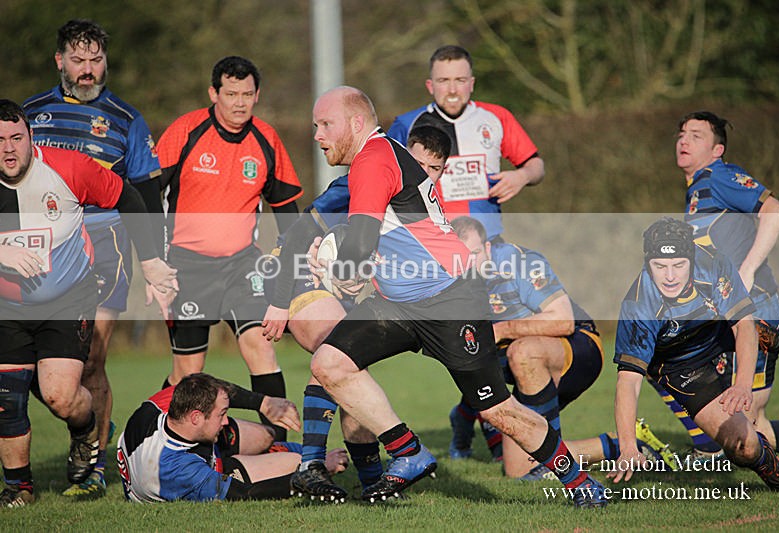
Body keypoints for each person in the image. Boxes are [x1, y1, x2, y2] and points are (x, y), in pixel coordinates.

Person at [302, 86, 606, 508]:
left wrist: (334, 268)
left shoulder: (373, 160)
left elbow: (362, 241)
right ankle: (408, 452)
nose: (317, 135)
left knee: (498, 410)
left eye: (324, 124)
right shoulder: (381, 155)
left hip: (450, 299)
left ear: (355, 123)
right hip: (401, 302)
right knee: (329, 364)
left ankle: (580, 483)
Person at [261, 125, 453, 502]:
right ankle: (311, 465)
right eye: (418, 164)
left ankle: (370, 484)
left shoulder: (422, 203)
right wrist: (280, 301)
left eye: (435, 168)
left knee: (352, 380)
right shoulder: (364, 177)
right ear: (400, 155)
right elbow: (298, 235)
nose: (425, 174)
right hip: (300, 272)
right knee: (333, 354)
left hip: (344, 288)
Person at [0, 99, 177, 508]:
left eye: (16, 138)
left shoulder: (70, 167)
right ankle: (18, 488)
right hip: (8, 309)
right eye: (0, 141)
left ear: (31, 137)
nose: (9, 149)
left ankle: (84, 431)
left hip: (66, 299)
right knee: (7, 397)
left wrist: (151, 262)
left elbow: (128, 197)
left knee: (62, 396)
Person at [22, 19, 167, 497]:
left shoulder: (126, 119)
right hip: (37, 252)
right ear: (59, 61)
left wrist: (154, 260)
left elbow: (145, 194)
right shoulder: (29, 117)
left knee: (90, 361)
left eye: (97, 60)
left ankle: (94, 467)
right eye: (79, 60)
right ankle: (79, 431)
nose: (88, 70)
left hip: (104, 247)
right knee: (29, 371)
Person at [448, 217, 677, 479]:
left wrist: (500, 331)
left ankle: (557, 467)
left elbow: (563, 320)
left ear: (488, 248)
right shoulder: (454, 283)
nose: (470, 263)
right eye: (461, 258)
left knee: (522, 351)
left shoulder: (518, 262)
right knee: (519, 469)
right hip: (528, 364)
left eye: (475, 254)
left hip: (579, 348)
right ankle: (624, 444)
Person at [156, 56, 303, 442]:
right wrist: (155, 267)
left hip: (242, 266)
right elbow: (146, 197)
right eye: (231, 93)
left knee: (261, 346)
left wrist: (294, 273)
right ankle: (160, 438)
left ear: (258, 95)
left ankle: (277, 446)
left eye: (247, 94)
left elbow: (289, 215)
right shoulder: (186, 131)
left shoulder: (266, 139)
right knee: (187, 373)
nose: (239, 102)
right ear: (213, 93)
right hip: (187, 267)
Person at [647, 111, 779, 462]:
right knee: (656, 354)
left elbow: (776, 212)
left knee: (748, 429)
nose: (684, 140)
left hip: (756, 310)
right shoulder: (698, 188)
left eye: (696, 136)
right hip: (725, 314)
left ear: (717, 150)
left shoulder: (719, 176)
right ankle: (709, 447)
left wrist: (746, 273)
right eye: (682, 134)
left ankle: (711, 448)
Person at [609, 217, 779, 491]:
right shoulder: (638, 307)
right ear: (647, 264)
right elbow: (628, 381)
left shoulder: (713, 265)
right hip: (680, 364)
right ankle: (769, 465)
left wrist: (743, 385)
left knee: (746, 324)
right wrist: (627, 447)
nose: (670, 276)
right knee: (744, 447)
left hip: (718, 328)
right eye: (659, 266)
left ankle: (759, 329)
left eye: (678, 265)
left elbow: (741, 325)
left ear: (691, 259)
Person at [387, 45, 545, 241]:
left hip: (487, 241)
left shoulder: (497, 117)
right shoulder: (406, 124)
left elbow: (536, 165)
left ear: (471, 83)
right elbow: (383, 179)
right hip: (432, 243)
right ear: (430, 86)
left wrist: (523, 176)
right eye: (443, 81)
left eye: (460, 80)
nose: (452, 90)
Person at [117, 372, 349, 503]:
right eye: (222, 415)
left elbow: (212, 387)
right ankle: (310, 462)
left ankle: (294, 455)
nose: (227, 420)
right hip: (191, 468)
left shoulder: (160, 406)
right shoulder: (178, 471)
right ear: (196, 417)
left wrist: (264, 403)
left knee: (265, 435)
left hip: (188, 448)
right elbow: (242, 494)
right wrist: (302, 478)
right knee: (294, 464)